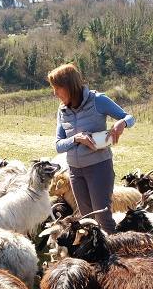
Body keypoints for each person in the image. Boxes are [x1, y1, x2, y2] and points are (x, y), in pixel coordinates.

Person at [48, 63, 135, 233]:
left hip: (99, 169)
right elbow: (58, 145)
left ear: (69, 86)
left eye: (57, 88)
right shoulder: (62, 110)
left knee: (103, 218)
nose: (55, 93)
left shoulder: (98, 100)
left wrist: (122, 123)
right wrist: (77, 138)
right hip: (74, 172)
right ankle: (95, 258)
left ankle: (114, 255)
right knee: (87, 221)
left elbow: (130, 117)